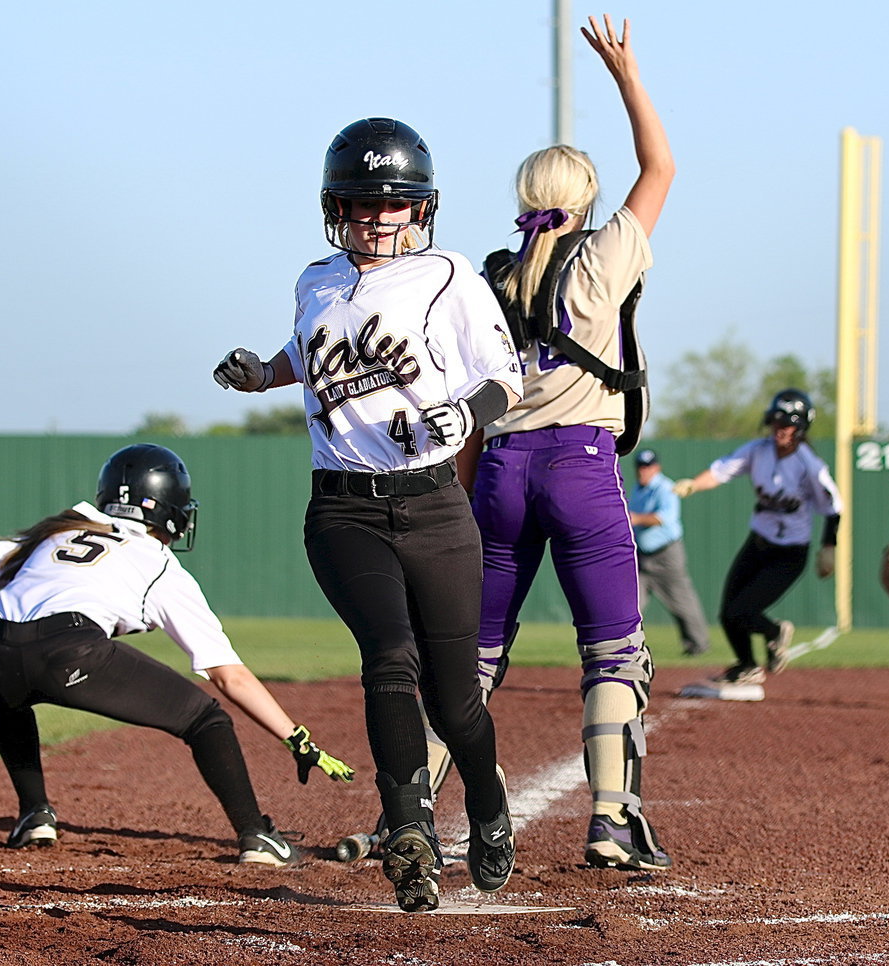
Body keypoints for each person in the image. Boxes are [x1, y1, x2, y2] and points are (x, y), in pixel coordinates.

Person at [212, 116, 523, 912]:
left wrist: (466, 417)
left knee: (457, 700)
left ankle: (486, 805)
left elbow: (503, 377)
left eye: (398, 203)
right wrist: (263, 374)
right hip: (342, 510)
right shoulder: (315, 278)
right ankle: (410, 827)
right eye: (362, 202)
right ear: (335, 206)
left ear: (423, 208)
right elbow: (305, 353)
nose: (381, 217)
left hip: (433, 506)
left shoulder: (449, 274)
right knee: (390, 654)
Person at [0, 443, 354, 865]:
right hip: (69, 653)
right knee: (206, 719)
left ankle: (35, 814)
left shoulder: (58, 530)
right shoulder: (159, 564)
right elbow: (227, 674)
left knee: (5, 697)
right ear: (171, 509)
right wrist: (295, 737)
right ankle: (255, 835)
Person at [448, 13, 674, 873]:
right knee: (614, 647)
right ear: (583, 198)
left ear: (521, 197)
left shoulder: (487, 278)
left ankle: (419, 814)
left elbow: (473, 407)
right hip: (581, 464)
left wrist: (471, 497)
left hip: (500, 468)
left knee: (472, 656)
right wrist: (627, 78)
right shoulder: (603, 255)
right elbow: (661, 168)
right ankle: (612, 822)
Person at [674, 389, 842, 684]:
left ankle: (774, 633)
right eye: (776, 423)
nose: (779, 429)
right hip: (759, 542)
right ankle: (747, 664)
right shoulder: (758, 450)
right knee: (727, 613)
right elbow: (720, 471)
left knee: (743, 610)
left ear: (801, 427)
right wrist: (693, 485)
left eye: (787, 424)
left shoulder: (810, 465)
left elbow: (833, 506)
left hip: (789, 552)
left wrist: (829, 546)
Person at [629, 448, 711, 656]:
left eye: (648, 466)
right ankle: (627, 647)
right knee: (631, 603)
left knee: (681, 602)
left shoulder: (665, 488)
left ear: (657, 467)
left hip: (666, 555)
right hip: (641, 556)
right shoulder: (637, 489)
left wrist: (636, 518)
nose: (643, 471)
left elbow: (664, 517)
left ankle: (698, 645)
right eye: (640, 466)